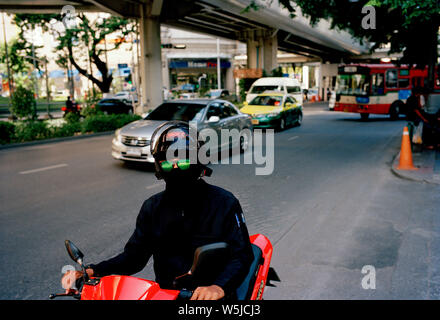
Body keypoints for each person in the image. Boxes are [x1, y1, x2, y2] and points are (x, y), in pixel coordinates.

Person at [61, 121, 254, 300]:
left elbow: (242, 255)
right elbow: (134, 258)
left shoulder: (224, 202)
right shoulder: (152, 208)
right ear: (159, 166)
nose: (176, 167)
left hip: (214, 297)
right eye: (168, 162)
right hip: (166, 295)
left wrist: (218, 287)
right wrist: (92, 271)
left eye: (184, 161)